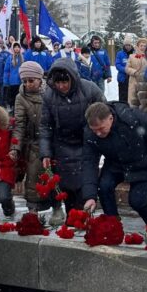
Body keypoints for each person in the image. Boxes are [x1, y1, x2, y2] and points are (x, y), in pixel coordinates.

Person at [40, 57, 106, 225]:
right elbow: (45, 126)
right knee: (67, 186)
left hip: (86, 141)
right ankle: (72, 220)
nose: (61, 87)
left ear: (72, 78)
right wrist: (45, 153)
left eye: (65, 82)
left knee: (84, 182)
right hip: (62, 144)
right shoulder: (49, 96)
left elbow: (105, 111)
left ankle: (85, 219)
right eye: (58, 83)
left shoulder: (89, 89)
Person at [80, 102, 147, 224]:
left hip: (140, 163)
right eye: (94, 130)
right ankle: (113, 225)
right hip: (114, 164)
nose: (98, 134)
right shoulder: (90, 133)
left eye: (101, 129)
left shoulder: (132, 119)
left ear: (110, 118)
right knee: (104, 187)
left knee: (137, 201)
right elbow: (89, 162)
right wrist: (90, 196)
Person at [9, 61, 48, 212]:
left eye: (31, 80)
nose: (28, 84)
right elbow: (20, 125)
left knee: (55, 176)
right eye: (24, 81)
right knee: (32, 176)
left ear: (40, 79)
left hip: (51, 139)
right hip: (34, 141)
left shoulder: (50, 94)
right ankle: (32, 210)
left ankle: (57, 206)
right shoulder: (21, 98)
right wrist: (15, 147)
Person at [125, 37, 147, 104]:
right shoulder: (131, 56)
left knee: (144, 101)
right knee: (133, 101)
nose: (143, 47)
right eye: (141, 46)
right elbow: (127, 68)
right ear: (137, 46)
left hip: (145, 82)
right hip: (133, 82)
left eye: (145, 46)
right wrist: (134, 72)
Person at [3, 42, 24, 114]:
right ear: (13, 48)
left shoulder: (23, 57)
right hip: (12, 81)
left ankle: (19, 109)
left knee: (20, 96)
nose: (17, 48)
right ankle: (13, 109)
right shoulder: (10, 58)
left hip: (21, 81)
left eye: (18, 47)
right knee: (13, 96)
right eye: (15, 47)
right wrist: (5, 81)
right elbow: (6, 70)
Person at [115, 34, 135, 104]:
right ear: (124, 45)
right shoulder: (120, 54)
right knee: (122, 96)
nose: (128, 47)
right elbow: (117, 65)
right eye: (126, 45)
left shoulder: (134, 54)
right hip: (122, 78)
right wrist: (126, 70)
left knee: (131, 96)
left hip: (132, 78)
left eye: (129, 45)